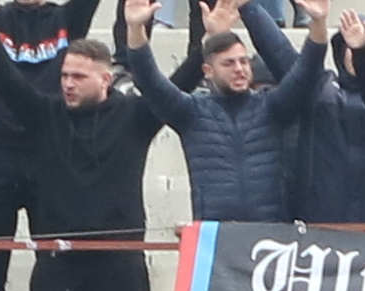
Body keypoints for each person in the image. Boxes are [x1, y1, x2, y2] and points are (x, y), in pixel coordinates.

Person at [120, 0, 328, 219]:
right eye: (228, 63)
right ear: (207, 71)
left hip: (271, 236)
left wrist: (318, 23)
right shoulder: (191, 112)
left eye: (243, 62)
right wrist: (135, 28)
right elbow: (150, 82)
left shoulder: (271, 107)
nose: (239, 69)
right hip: (214, 237)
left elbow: (306, 72)